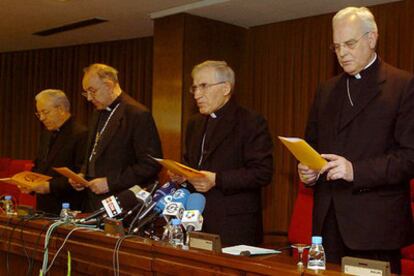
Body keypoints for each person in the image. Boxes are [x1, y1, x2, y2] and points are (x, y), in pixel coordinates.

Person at [298, 7, 414, 273]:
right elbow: (312, 146)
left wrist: (355, 170)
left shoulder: (402, 86)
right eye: (336, 46)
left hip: (376, 225)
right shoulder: (326, 90)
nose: (342, 53)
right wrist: (308, 170)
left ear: (371, 38)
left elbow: (409, 157)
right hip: (328, 224)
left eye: (349, 44)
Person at [171, 60, 273, 246]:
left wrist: (217, 179)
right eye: (194, 88)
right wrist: (182, 174)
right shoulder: (195, 123)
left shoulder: (250, 121)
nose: (197, 95)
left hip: (234, 225)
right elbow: (192, 163)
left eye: (203, 86)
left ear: (226, 88)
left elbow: (262, 173)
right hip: (196, 217)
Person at [70, 63, 162, 211]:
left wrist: (110, 182)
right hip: (92, 200)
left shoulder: (137, 114)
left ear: (109, 85)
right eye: (86, 92)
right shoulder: (97, 112)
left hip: (122, 200)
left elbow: (151, 164)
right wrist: (83, 174)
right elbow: (95, 152)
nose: (88, 98)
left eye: (92, 91)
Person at [21, 89, 88, 215]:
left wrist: (50, 187)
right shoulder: (46, 133)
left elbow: (82, 176)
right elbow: (39, 164)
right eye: (39, 113)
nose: (41, 118)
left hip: (67, 208)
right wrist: (28, 182)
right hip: (43, 207)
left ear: (61, 109)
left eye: (45, 112)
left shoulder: (81, 134)